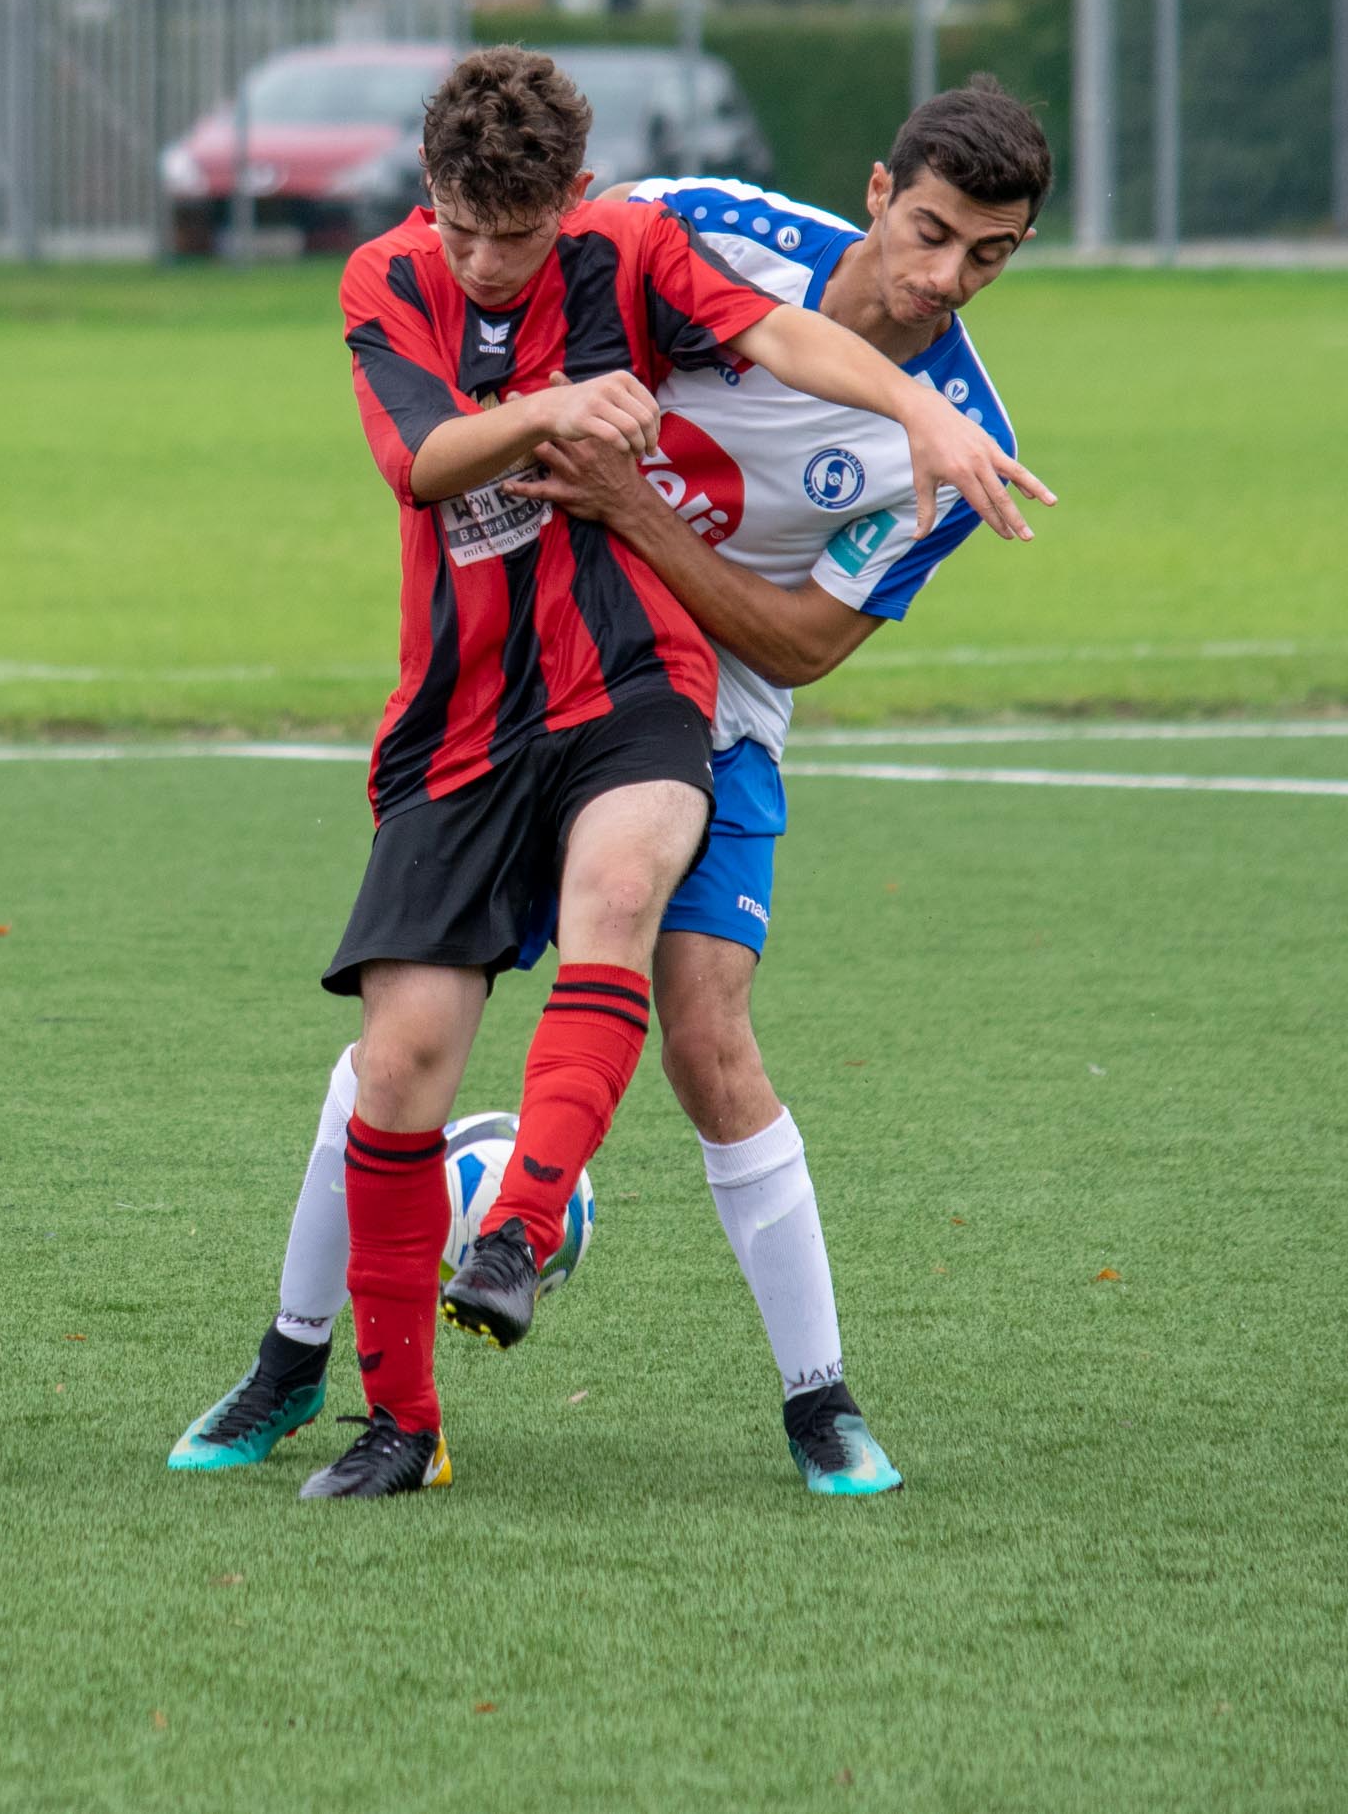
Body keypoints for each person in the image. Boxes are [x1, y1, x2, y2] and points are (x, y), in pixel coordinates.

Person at [169, 79, 1052, 1498]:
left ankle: (816, 1399)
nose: (946, 277)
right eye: (931, 233)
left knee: (707, 1031)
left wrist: (635, 510)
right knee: (396, 1044)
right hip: (512, 669)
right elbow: (542, 295)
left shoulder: (954, 440)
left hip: (705, 700)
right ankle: (294, 1355)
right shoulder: (705, 230)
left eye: (988, 255)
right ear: (880, 192)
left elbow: (802, 646)